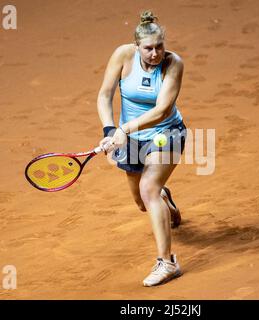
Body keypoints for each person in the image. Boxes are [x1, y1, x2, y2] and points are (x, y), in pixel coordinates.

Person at [96, 10, 187, 287]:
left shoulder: (174, 64)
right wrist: (110, 129)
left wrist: (124, 129)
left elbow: (162, 110)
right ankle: (165, 199)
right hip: (131, 138)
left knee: (148, 189)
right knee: (141, 202)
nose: (155, 53)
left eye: (160, 46)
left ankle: (167, 263)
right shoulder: (122, 56)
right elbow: (104, 95)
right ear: (137, 47)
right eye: (148, 48)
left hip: (166, 133)